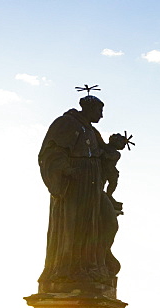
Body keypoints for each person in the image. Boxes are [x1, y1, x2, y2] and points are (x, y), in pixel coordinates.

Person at [38, 93, 129, 294]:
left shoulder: (90, 131)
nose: (102, 116)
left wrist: (114, 146)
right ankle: (71, 270)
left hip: (93, 186)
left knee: (107, 223)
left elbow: (105, 154)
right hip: (76, 187)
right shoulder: (66, 124)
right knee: (75, 227)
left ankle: (95, 265)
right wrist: (67, 171)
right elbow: (51, 153)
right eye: (100, 111)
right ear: (89, 108)